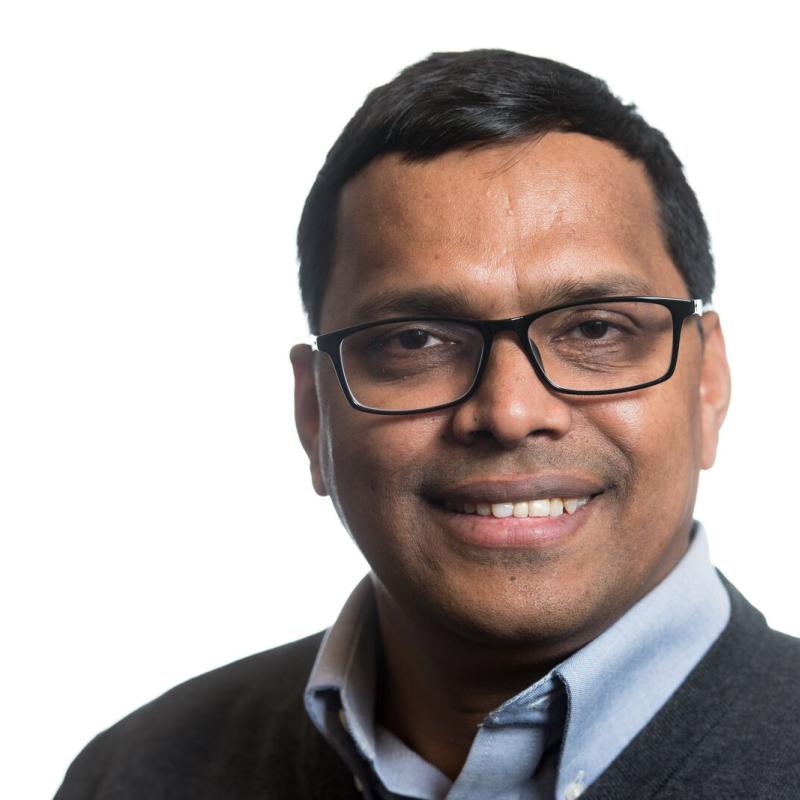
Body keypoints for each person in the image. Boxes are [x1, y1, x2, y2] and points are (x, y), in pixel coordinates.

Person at [55, 49, 800, 800]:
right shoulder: (133, 776)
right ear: (314, 414)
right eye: (415, 340)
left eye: (596, 330)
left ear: (708, 384)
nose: (510, 412)